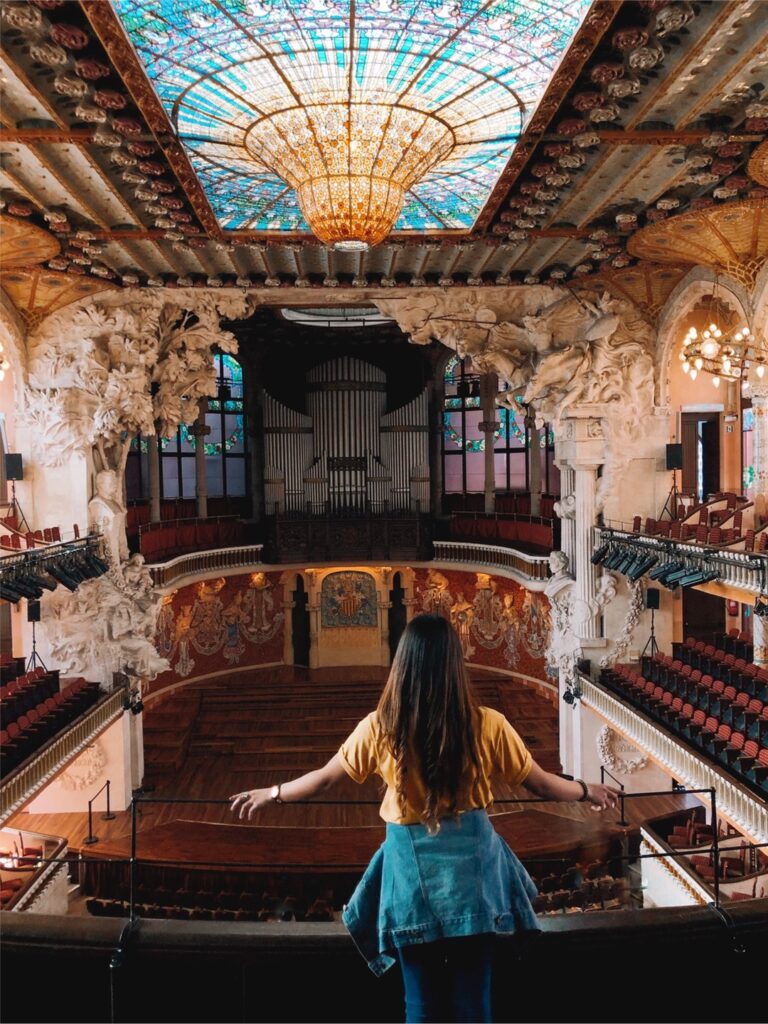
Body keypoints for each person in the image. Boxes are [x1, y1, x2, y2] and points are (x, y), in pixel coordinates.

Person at [230, 614, 620, 1023]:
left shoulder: (381, 728)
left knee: (420, 1005)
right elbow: (540, 785)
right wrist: (585, 789)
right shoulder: (488, 725)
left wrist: (271, 793)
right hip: (475, 879)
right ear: (455, 663)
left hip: (410, 883)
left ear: (403, 662)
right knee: (474, 1004)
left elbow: (324, 780)